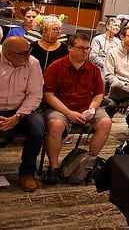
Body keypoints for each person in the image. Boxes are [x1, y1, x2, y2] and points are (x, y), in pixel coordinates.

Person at [41, 34, 112, 184]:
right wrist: (69, 113)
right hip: (61, 108)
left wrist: (92, 109)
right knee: (56, 125)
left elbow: (99, 93)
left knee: (106, 123)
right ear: (70, 48)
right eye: (80, 48)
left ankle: (87, 163)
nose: (84, 51)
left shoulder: (93, 69)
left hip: (86, 107)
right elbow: (48, 95)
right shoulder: (56, 66)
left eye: (87, 48)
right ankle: (53, 168)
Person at [0, 37, 44, 191]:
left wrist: (17, 117)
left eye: (28, 52)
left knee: (38, 128)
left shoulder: (33, 63)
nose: (28, 56)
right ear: (8, 54)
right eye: (24, 53)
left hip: (21, 109)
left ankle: (27, 173)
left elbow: (34, 95)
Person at [104, 26, 129, 103]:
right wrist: (122, 85)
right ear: (122, 37)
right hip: (119, 86)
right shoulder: (112, 52)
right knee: (116, 86)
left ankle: (126, 101)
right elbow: (109, 75)